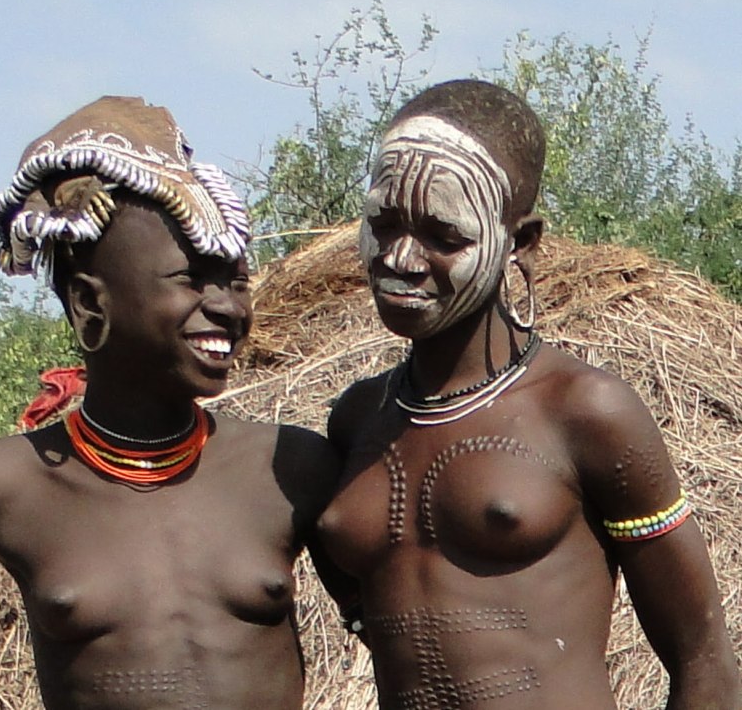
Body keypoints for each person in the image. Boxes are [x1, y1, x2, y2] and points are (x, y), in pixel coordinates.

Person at [0, 96, 344, 709]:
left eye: (235, 280)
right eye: (188, 280)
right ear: (89, 305)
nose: (229, 306)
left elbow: (415, 622)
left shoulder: (289, 468)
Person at [317, 80, 740, 709]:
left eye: (445, 235)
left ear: (520, 242)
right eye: (382, 223)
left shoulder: (584, 411)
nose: (401, 258)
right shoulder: (359, 419)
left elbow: (703, 659)